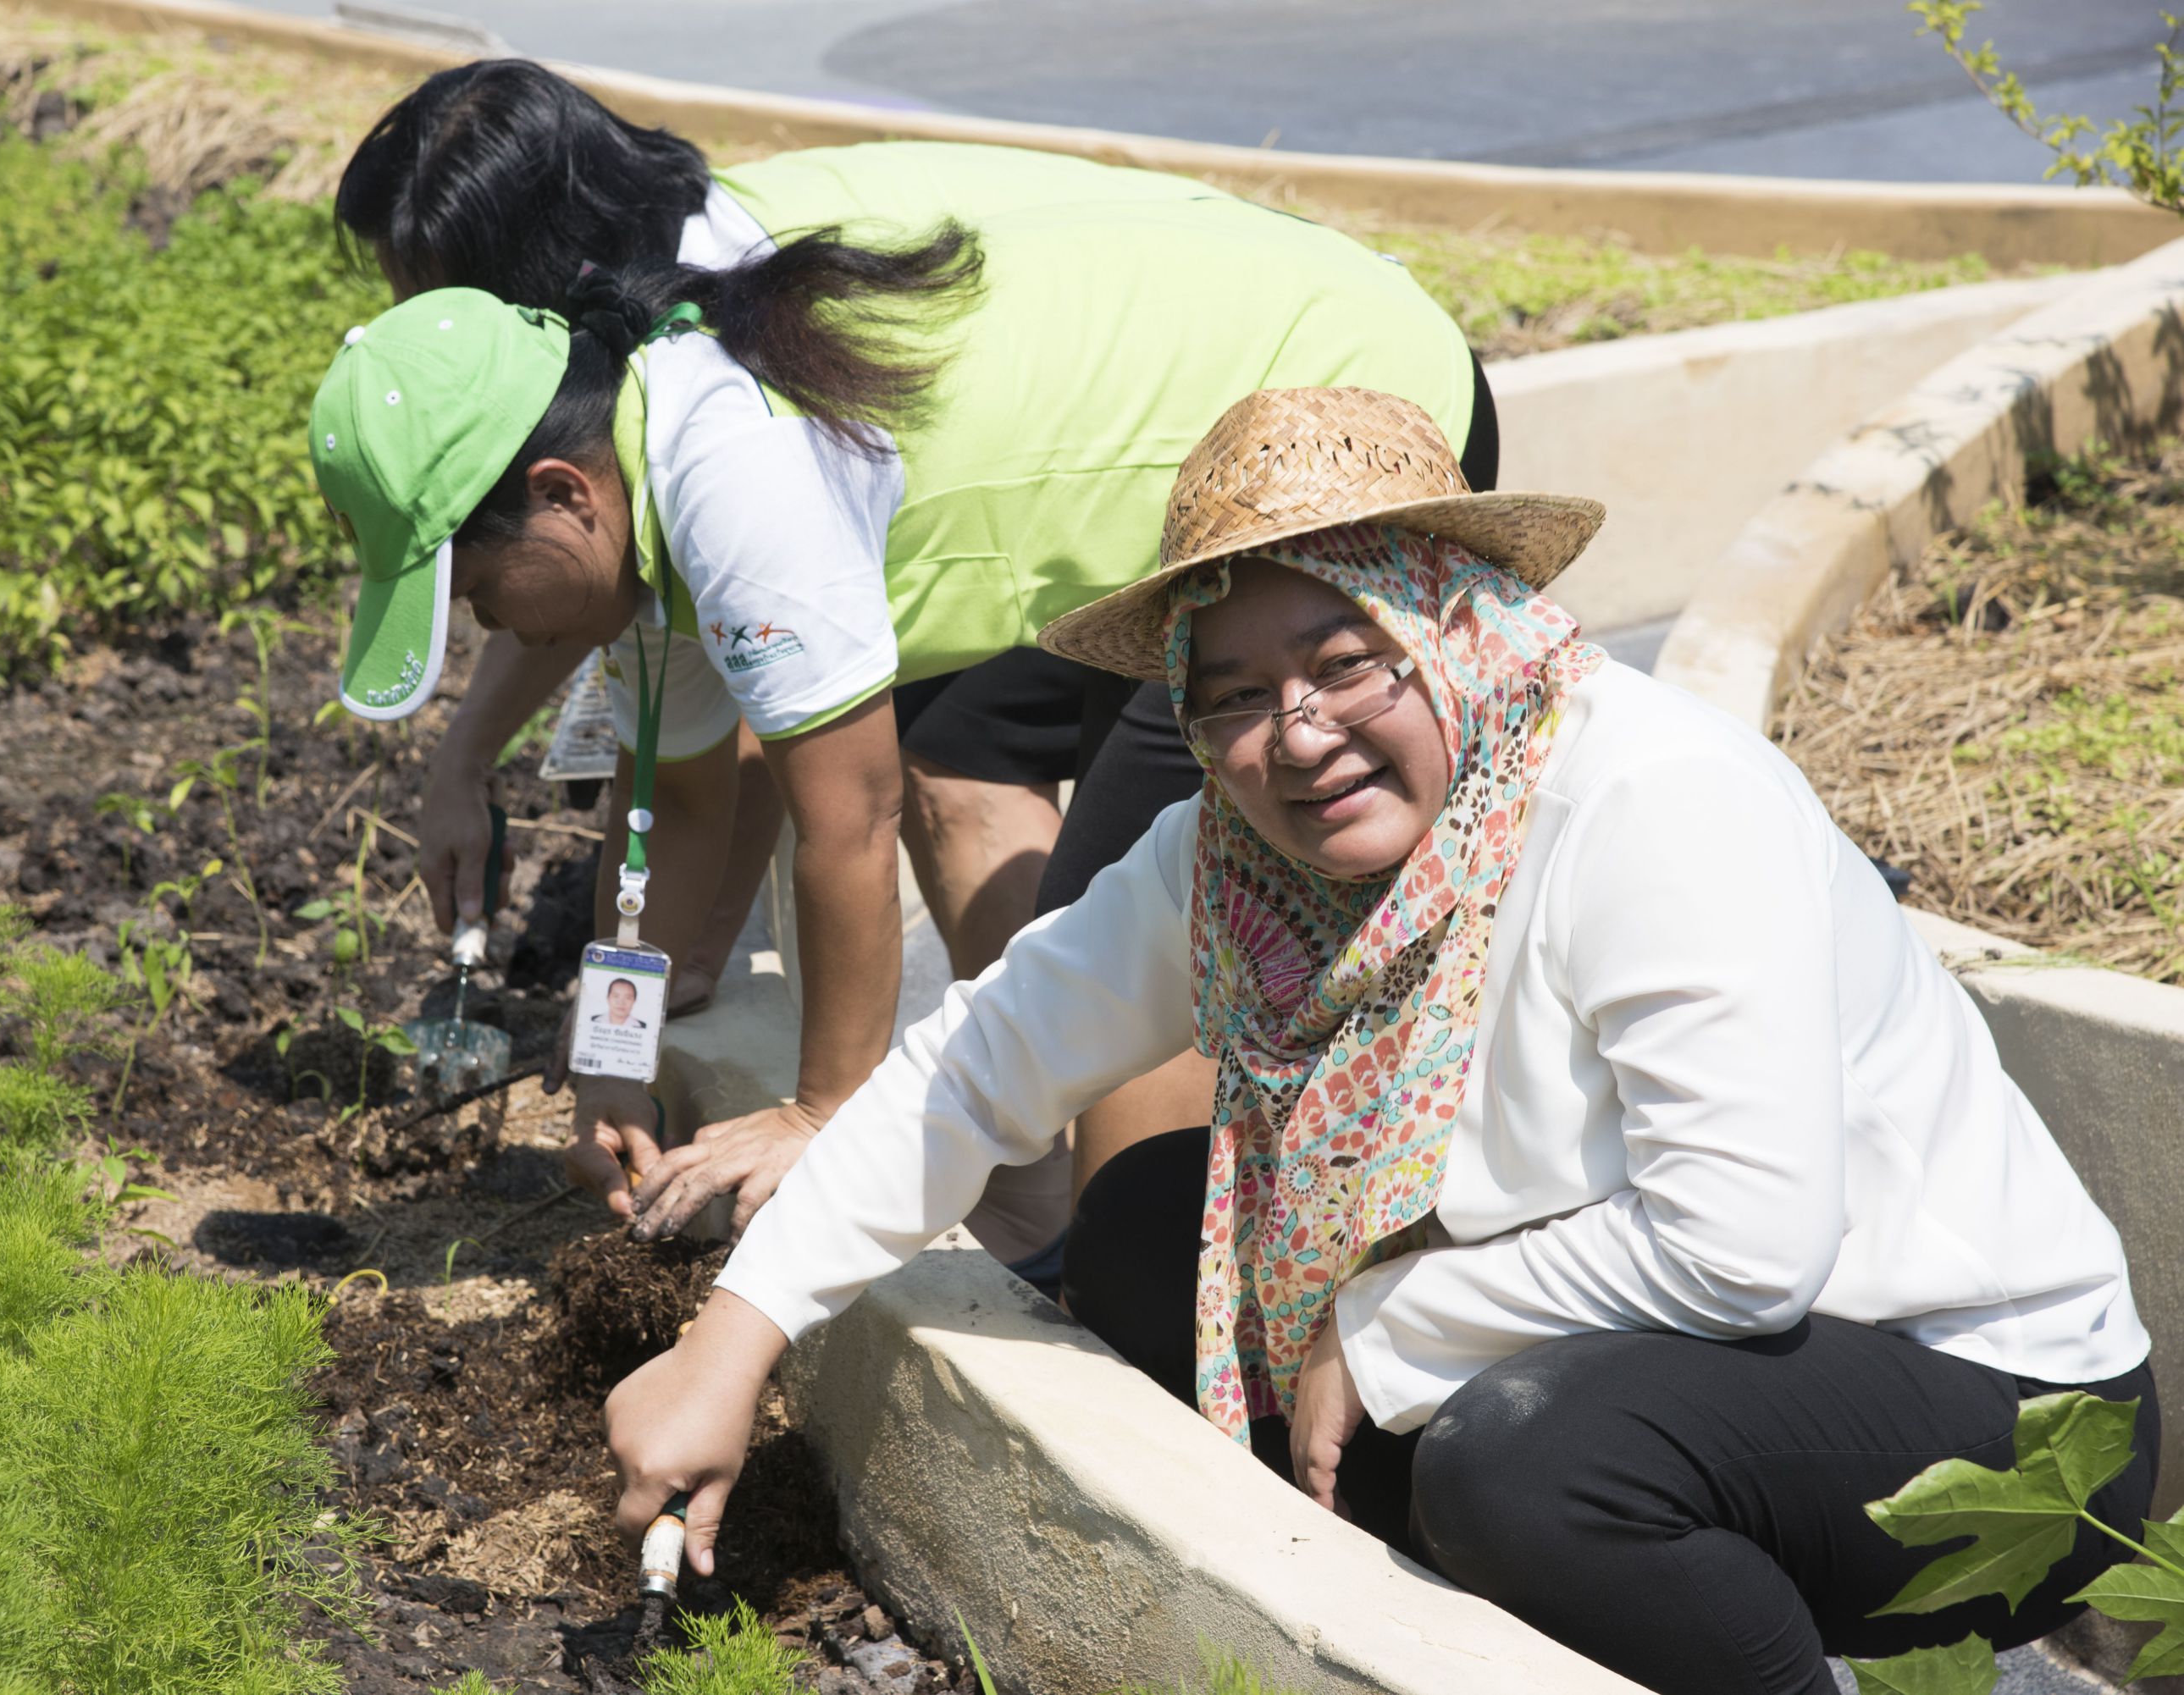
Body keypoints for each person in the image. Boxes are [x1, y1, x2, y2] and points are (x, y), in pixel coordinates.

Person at [600, 388, 2154, 1695]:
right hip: (1644, 1341)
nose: (1299, 736)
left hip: (1988, 1410)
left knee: (1530, 1467)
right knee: (1148, 1234)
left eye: (1347, 660)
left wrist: (1391, 1327)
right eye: (1237, 699)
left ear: (1452, 623)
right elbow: (976, 1062)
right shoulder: (1236, 857)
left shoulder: (1652, 805)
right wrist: (727, 1344)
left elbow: (1747, 1242)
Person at [319, 63, 1498, 1268]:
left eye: (472, 592)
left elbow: (847, 816)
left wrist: (829, 1114)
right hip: (1137, 412)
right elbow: (672, 802)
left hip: (1320, 408)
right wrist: (608, 1066)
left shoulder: (726, 467)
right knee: (956, 745)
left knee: (1148, 915)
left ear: (557, 485)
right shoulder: (626, 434)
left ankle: (1161, 1293)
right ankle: (1044, 1203)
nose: (486, 633)